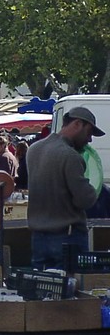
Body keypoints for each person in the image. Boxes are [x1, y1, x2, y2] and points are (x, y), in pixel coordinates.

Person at [27, 106, 103, 270]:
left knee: (40, 289)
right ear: (77, 124)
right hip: (67, 237)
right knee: (70, 290)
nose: (89, 140)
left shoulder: (34, 150)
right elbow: (85, 200)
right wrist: (92, 188)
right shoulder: (70, 156)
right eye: (89, 132)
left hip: (38, 236)